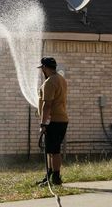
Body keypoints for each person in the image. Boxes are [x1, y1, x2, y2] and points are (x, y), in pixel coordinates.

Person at [36, 57, 68, 185]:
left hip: (53, 120)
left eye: (42, 68)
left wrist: (43, 123)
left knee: (53, 151)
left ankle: (55, 178)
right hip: (61, 119)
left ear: (44, 67)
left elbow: (47, 105)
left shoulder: (50, 82)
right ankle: (49, 176)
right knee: (50, 150)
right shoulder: (61, 79)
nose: (41, 71)